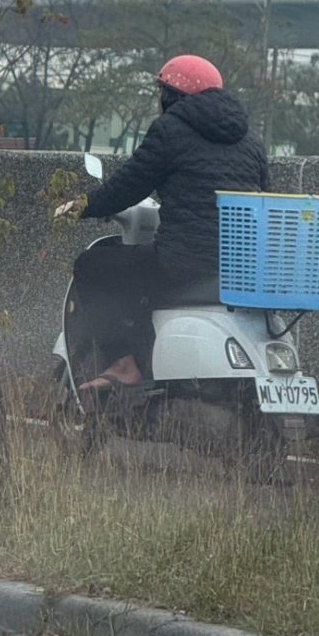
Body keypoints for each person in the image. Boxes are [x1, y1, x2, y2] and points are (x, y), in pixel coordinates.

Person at [56, 54, 269, 393]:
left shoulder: (171, 129)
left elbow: (128, 186)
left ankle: (124, 362)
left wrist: (83, 206)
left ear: (169, 96)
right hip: (238, 269)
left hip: (185, 264)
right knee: (139, 270)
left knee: (92, 266)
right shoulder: (251, 140)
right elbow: (265, 198)